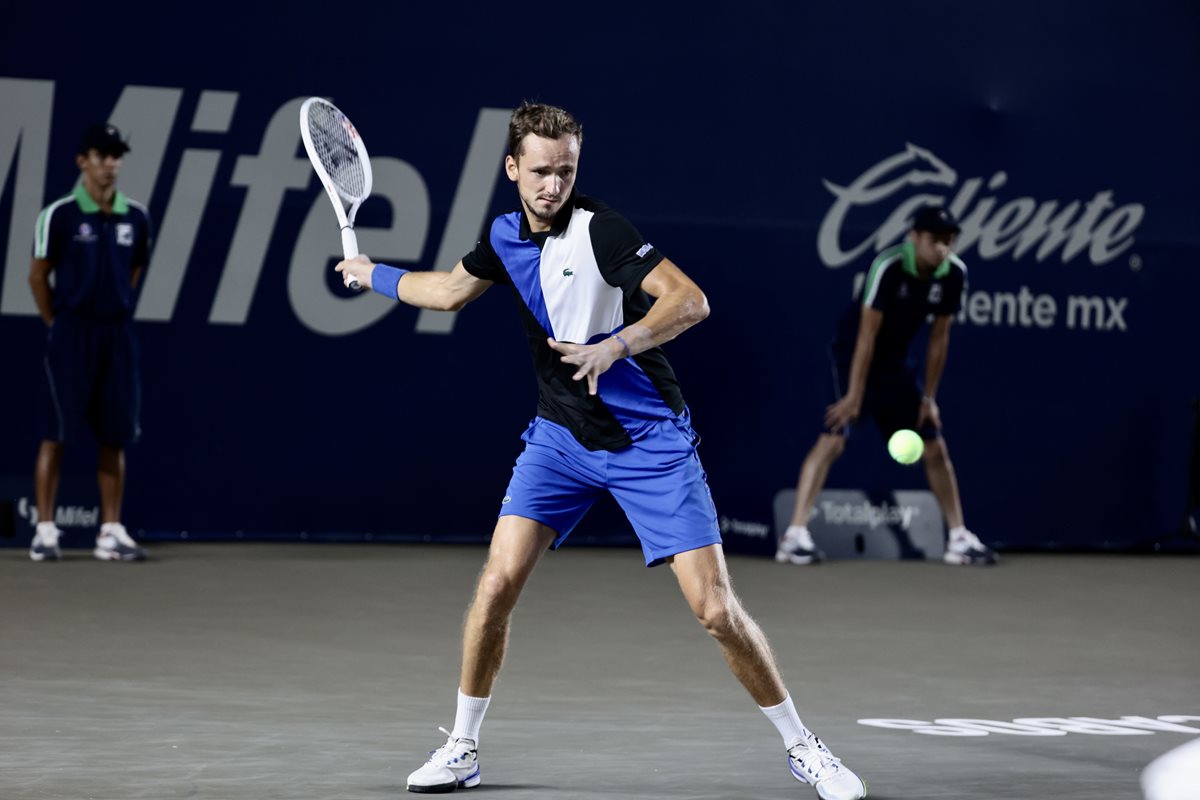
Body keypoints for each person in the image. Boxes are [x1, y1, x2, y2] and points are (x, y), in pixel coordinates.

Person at [335, 102, 866, 799]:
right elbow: (450, 291)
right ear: (512, 169)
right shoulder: (502, 235)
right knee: (495, 586)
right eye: (540, 172)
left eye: (566, 171)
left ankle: (803, 747)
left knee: (715, 610)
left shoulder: (602, 231)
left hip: (650, 442)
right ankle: (462, 747)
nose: (553, 185)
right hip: (560, 439)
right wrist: (371, 272)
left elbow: (690, 301)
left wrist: (616, 345)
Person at [776, 206, 997, 567]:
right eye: (934, 240)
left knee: (934, 446)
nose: (942, 248)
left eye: (948, 241)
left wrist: (929, 398)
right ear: (914, 237)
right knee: (834, 438)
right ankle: (794, 536)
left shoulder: (954, 274)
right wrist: (854, 395)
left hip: (896, 366)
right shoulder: (889, 266)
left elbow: (939, 339)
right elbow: (867, 334)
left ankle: (958, 538)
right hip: (852, 356)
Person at [27, 123, 151, 563]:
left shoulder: (136, 217)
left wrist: (114, 307)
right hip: (71, 334)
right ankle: (45, 530)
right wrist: (58, 322)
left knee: (115, 435)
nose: (110, 164)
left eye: (116, 156)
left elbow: (134, 270)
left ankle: (110, 532)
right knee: (55, 434)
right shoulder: (58, 215)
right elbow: (38, 276)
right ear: (83, 161)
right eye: (102, 155)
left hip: (117, 336)